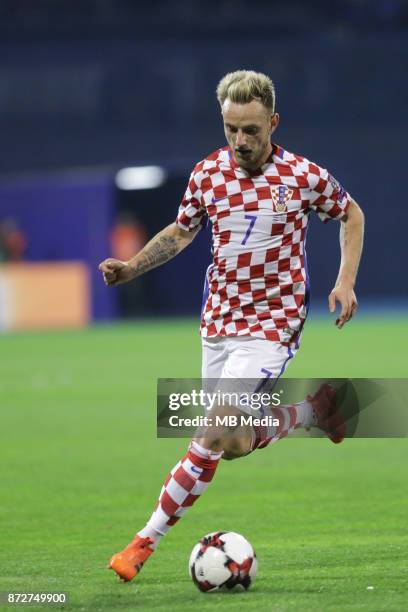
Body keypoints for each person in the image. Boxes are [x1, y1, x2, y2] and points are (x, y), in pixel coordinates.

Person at [99, 70, 364, 582]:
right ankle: (314, 411)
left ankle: (142, 543)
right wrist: (131, 268)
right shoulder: (207, 175)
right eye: (231, 129)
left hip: (273, 321)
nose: (240, 141)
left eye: (251, 131)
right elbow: (181, 232)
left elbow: (350, 214)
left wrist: (345, 280)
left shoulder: (303, 177)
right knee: (236, 443)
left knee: (212, 431)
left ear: (273, 123)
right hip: (219, 318)